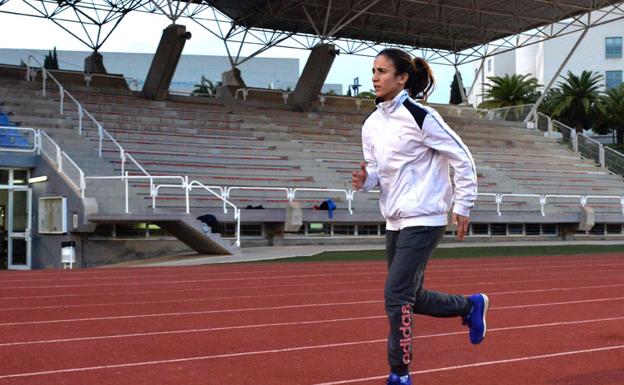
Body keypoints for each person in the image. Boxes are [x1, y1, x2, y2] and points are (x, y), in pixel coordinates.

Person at [351, 48, 489, 385]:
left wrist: (463, 204)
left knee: (396, 296)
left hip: (425, 217)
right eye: (373, 71)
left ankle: (400, 374)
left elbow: (462, 156)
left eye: (382, 71)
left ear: (402, 78)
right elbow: (377, 174)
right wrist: (365, 180)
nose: (375, 77)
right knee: (411, 295)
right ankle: (469, 307)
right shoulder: (371, 124)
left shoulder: (420, 115)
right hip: (395, 218)